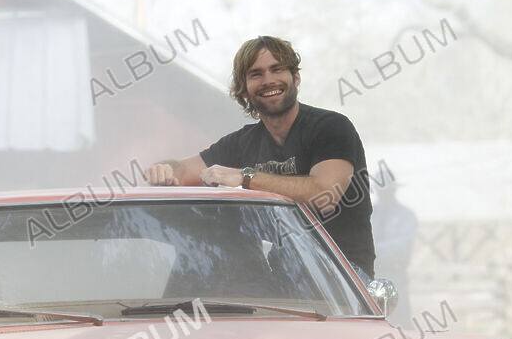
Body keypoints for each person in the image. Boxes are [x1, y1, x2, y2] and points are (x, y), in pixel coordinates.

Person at [144, 36, 375, 281]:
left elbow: (323, 195)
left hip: (344, 276)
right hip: (284, 280)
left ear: (296, 77)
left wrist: (245, 177)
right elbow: (181, 170)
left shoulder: (331, 127)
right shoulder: (241, 143)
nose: (268, 80)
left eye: (277, 69)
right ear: (243, 90)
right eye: (256, 74)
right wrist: (164, 169)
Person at [370, 180, 416, 321]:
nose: (383, 193)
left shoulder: (405, 215)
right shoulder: (371, 213)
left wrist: (376, 249)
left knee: (399, 317)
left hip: (394, 272)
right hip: (373, 273)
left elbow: (401, 246)